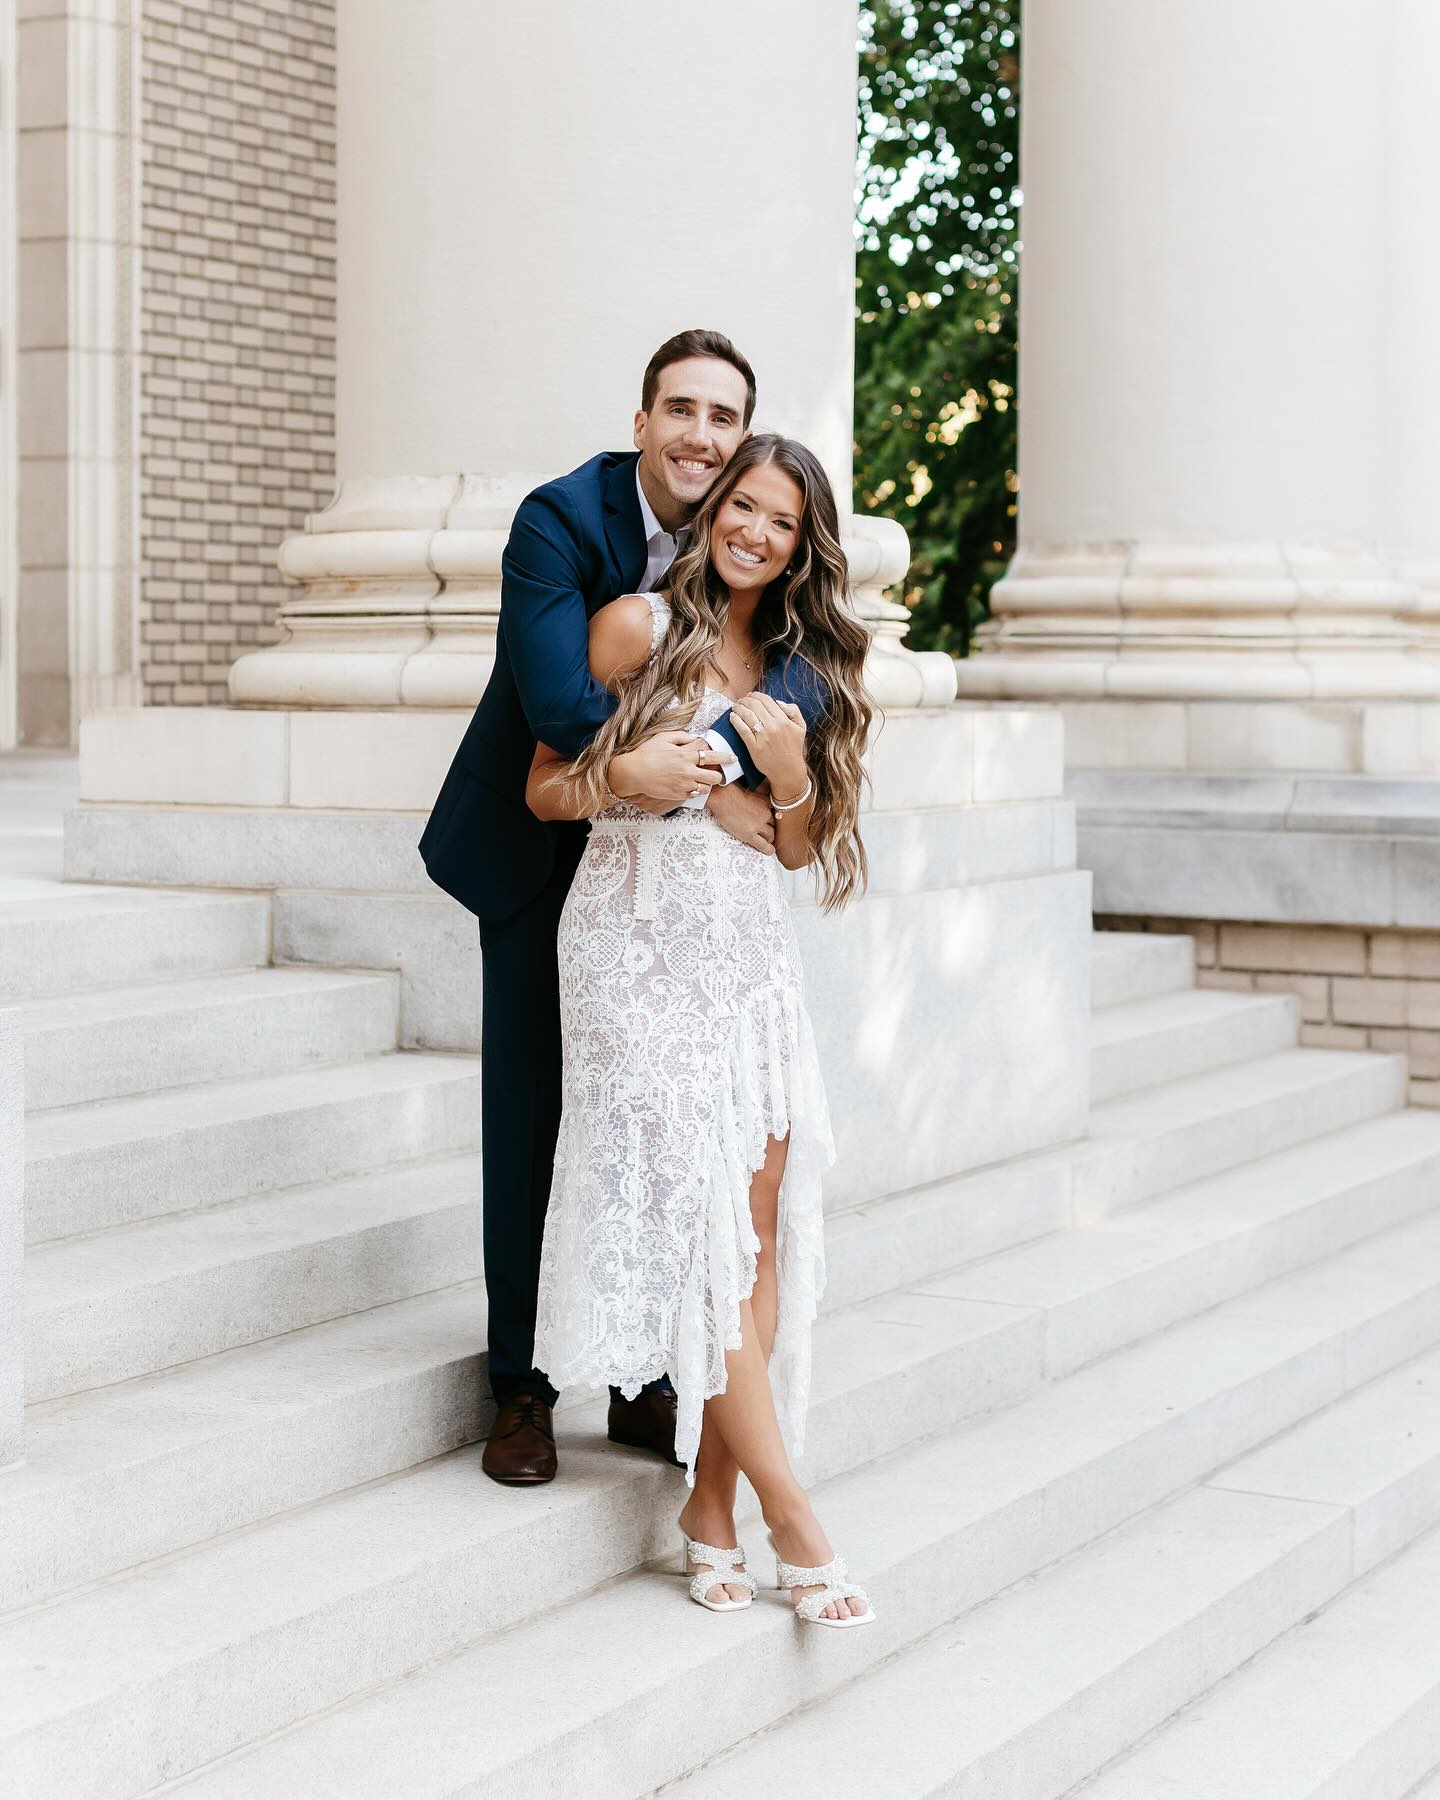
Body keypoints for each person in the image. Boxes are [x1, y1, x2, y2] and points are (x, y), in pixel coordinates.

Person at [419, 331, 830, 1486]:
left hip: (674, 879)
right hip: (541, 838)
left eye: (724, 417)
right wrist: (687, 776)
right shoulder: (561, 521)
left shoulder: (741, 528)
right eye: (682, 411)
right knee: (539, 1111)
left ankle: (650, 1377)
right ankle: (524, 1386)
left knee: (670, 1130)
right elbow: (557, 698)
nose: (703, 436)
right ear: (643, 419)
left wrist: (759, 791)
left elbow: (779, 683)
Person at [526, 434, 877, 1628]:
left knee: (759, 1225)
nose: (757, 534)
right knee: (698, 1215)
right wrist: (626, 767)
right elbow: (545, 789)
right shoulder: (634, 627)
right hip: (631, 946)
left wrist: (783, 776)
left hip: (745, 956)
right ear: (714, 508)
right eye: (746, 509)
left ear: (799, 545)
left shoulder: (801, 664)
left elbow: (796, 847)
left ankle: (709, 1512)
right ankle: (796, 1515)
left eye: (783, 522)